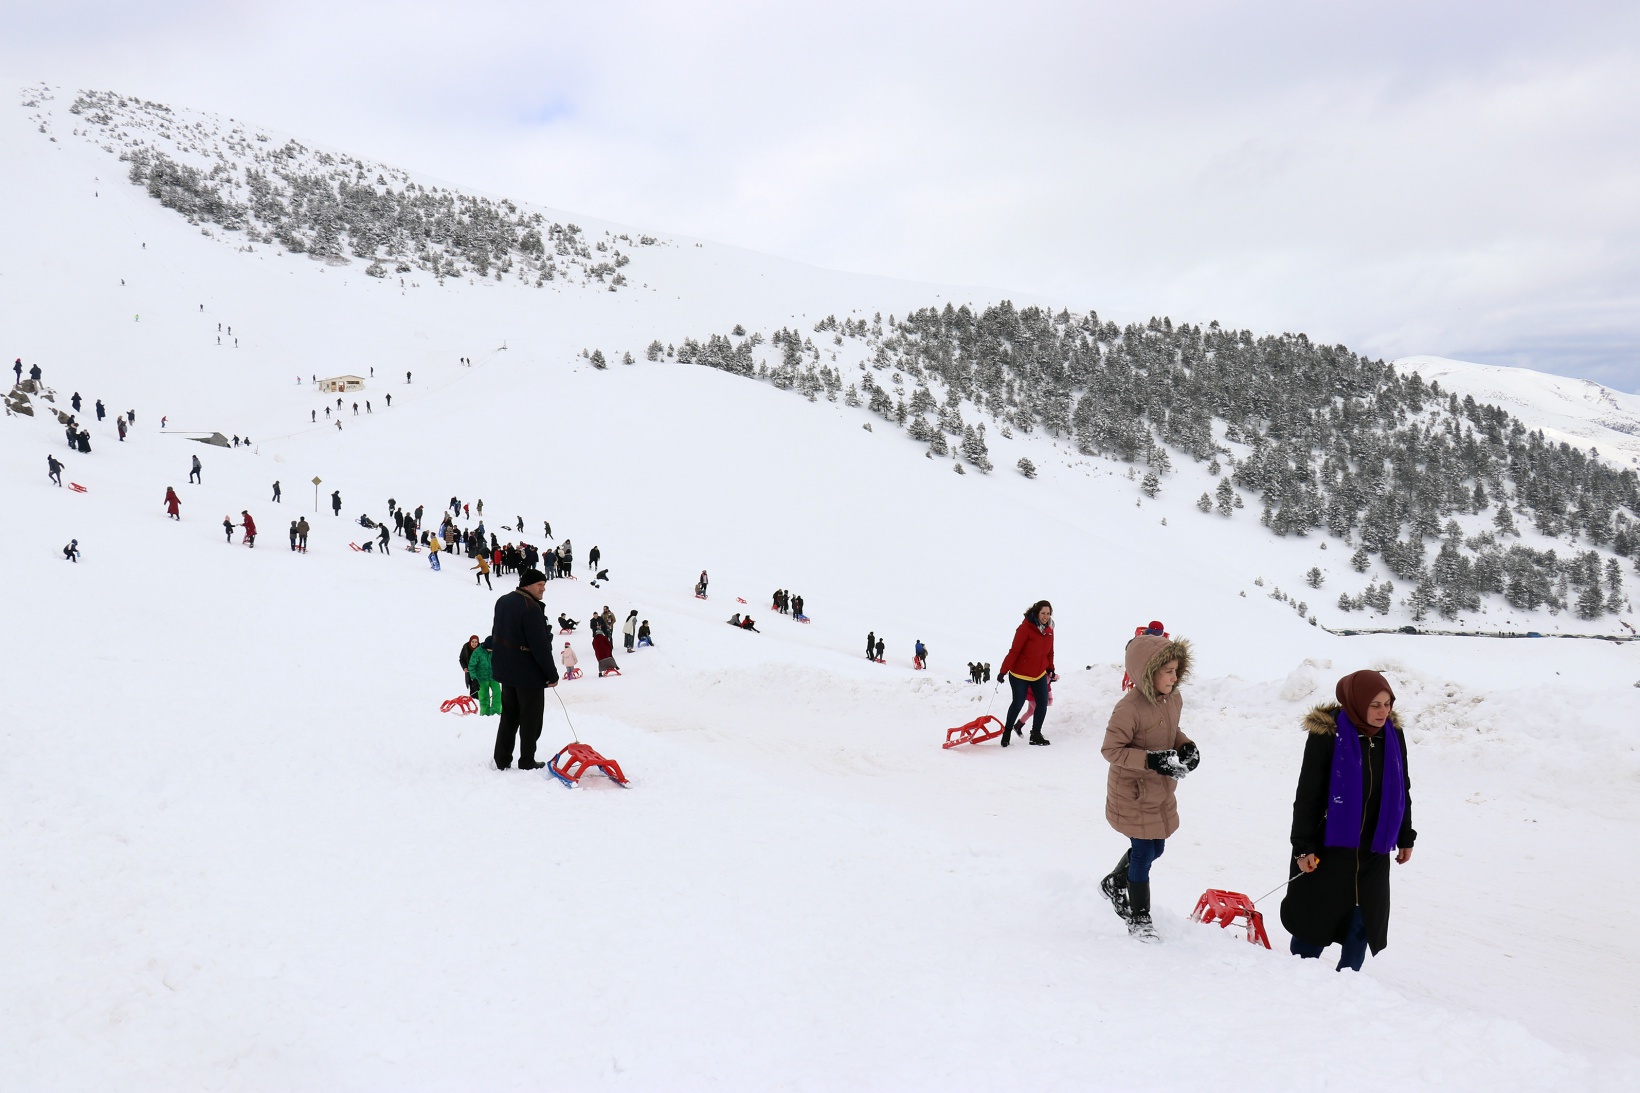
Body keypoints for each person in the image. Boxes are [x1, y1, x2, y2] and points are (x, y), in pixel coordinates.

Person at [1281, 670, 1415, 972]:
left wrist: (1405, 835)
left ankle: (1349, 986)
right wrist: (1303, 847)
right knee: (1315, 922)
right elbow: (1308, 794)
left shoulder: (1392, 736)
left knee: (1362, 922)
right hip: (1330, 846)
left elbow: (1400, 787)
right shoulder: (1327, 737)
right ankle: (1297, 979)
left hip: (1374, 847)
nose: (1383, 712)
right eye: (1375, 705)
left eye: (1387, 704)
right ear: (1356, 702)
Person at [1098, 631, 1196, 941]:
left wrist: (1186, 746)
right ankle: (1139, 917)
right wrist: (1152, 761)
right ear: (1148, 673)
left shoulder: (1172, 698)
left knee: (1157, 846)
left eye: (1177, 669)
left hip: (1159, 790)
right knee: (1142, 853)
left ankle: (1114, 881)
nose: (1174, 676)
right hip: (1133, 791)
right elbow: (1110, 750)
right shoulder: (1129, 708)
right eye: (1168, 671)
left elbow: (1171, 729)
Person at [489, 568, 559, 770]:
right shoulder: (530, 607)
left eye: (544, 585)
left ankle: (502, 759)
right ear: (527, 585)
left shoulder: (503, 600)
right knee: (531, 720)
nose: (543, 589)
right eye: (539, 585)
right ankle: (527, 760)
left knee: (509, 716)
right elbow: (540, 646)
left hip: (507, 671)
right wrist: (551, 674)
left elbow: (497, 633)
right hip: (528, 673)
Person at [998, 600, 1056, 746]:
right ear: (1036, 613)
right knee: (1018, 702)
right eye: (1043, 613)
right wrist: (1003, 671)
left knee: (1042, 703)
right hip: (1020, 675)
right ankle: (1007, 731)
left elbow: (1050, 652)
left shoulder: (1049, 630)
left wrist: (1050, 668)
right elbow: (1015, 651)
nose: (1045, 616)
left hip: (1039, 674)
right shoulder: (1025, 628)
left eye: (1048, 613)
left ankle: (1035, 734)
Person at [468, 638, 501, 716]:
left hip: (494, 677)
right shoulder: (477, 652)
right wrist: (474, 679)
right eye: (490, 649)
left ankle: (496, 712)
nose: (491, 651)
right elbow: (471, 666)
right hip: (481, 678)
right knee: (484, 697)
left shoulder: (496, 651)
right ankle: (485, 713)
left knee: (497, 693)